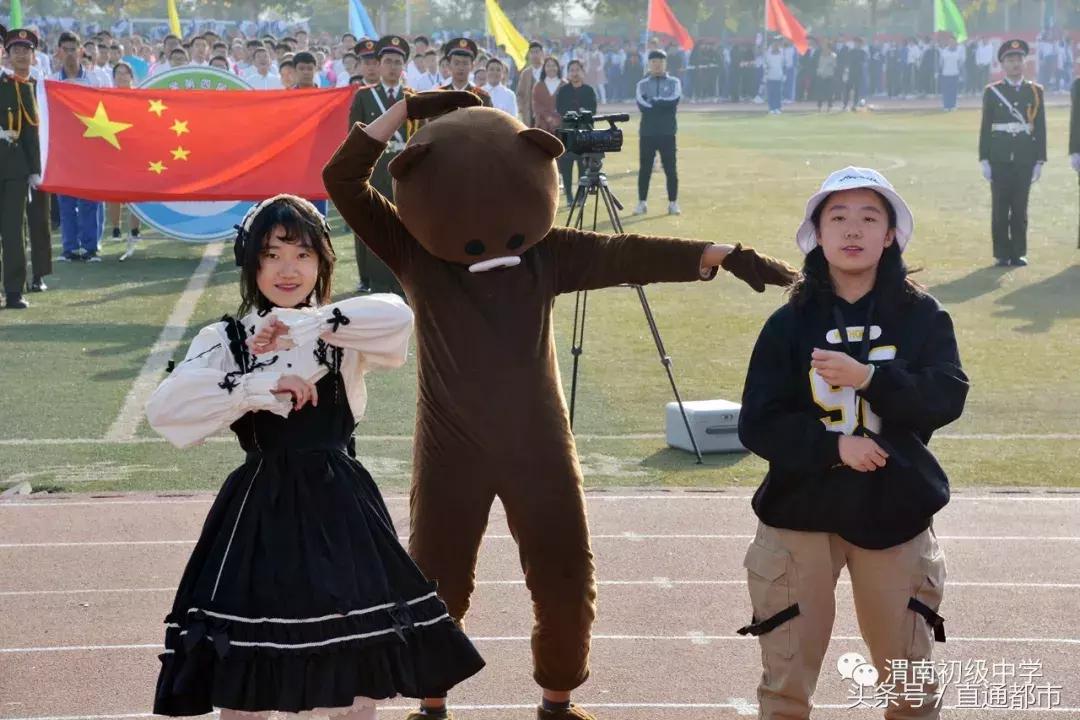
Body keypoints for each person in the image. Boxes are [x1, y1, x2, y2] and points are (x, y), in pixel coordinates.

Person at [145, 194, 484, 720]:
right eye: (273, 253)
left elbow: (398, 318)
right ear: (251, 260)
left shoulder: (341, 331)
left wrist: (307, 324)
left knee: (352, 677)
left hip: (341, 511)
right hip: (258, 514)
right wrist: (259, 383)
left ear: (323, 264)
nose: (288, 269)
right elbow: (168, 412)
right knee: (247, 678)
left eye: (303, 255)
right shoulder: (226, 339)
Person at [737, 166, 968, 720]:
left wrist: (869, 379)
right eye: (837, 217)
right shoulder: (788, 322)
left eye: (870, 217)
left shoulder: (922, 317)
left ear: (891, 234)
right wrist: (833, 448)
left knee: (911, 687)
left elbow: (946, 397)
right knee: (785, 688)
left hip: (895, 512)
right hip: (801, 514)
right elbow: (758, 421)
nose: (853, 230)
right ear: (816, 232)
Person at [347, 35, 413, 295]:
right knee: (372, 224)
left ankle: (401, 276)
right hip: (373, 171)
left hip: (403, 171)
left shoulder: (412, 97)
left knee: (402, 225)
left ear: (403, 66)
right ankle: (373, 279)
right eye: (388, 61)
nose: (393, 66)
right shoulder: (365, 96)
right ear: (380, 64)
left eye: (398, 62)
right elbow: (354, 135)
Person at [978, 39, 1046, 267]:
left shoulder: (1035, 91)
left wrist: (1040, 159)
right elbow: (985, 127)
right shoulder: (993, 92)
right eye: (1010, 59)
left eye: (1018, 59)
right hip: (999, 157)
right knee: (1000, 207)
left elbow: (1041, 127)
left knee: (1020, 207)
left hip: (1025, 158)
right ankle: (1001, 253)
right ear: (1002, 64)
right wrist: (984, 158)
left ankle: (1018, 252)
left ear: (1024, 62)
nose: (1015, 63)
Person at [54, 31, 105, 264]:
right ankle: (69, 248)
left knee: (89, 201)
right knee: (66, 202)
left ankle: (91, 247)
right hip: (63, 150)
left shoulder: (96, 79)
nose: (70, 54)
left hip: (91, 149)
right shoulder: (51, 80)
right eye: (65, 49)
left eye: (73, 49)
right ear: (58, 52)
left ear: (81, 51)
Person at [0, 27, 41, 308]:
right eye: (16, 50)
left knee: (14, 231)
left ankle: (14, 290)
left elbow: (30, 131)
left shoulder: (17, 85)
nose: (20, 54)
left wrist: (35, 169)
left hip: (14, 167)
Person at [633, 49, 681, 216]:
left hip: (667, 132)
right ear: (649, 64)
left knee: (670, 169)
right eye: (653, 62)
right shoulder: (642, 84)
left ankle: (673, 203)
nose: (657, 64)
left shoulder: (674, 82)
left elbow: (674, 100)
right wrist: (661, 105)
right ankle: (642, 202)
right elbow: (642, 105)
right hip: (647, 133)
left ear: (665, 63)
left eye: (660, 61)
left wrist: (655, 101)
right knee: (645, 169)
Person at [105, 62, 142, 261]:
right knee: (115, 191)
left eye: (125, 73)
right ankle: (116, 227)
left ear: (131, 76)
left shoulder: (140, 96)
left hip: (135, 148)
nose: (122, 76)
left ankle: (135, 229)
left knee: (136, 191)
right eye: (118, 73)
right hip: (114, 147)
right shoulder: (107, 97)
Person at [554, 59, 597, 205]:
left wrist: (583, 115)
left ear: (583, 72)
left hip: (584, 132)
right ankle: (569, 197)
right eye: (571, 70)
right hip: (568, 132)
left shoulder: (589, 90)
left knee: (582, 165)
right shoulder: (563, 90)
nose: (574, 73)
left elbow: (593, 110)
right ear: (568, 73)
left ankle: (580, 196)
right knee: (566, 166)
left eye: (577, 70)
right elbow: (560, 108)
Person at [438, 37, 492, 107]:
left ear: (472, 66)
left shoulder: (482, 97)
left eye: (465, 63)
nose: (461, 67)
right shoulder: (439, 96)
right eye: (456, 63)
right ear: (449, 66)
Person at [531, 56, 563, 134]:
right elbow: (536, 105)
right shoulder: (538, 85)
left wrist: (557, 120)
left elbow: (567, 105)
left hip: (561, 127)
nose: (551, 68)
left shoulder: (565, 85)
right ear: (544, 68)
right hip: (542, 126)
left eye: (554, 65)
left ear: (558, 68)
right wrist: (548, 117)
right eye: (548, 66)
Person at [939, 35, 963, 112]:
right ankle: (946, 106)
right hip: (945, 74)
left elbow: (960, 63)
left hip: (955, 73)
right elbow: (941, 63)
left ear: (955, 42)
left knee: (953, 91)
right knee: (946, 91)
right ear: (948, 43)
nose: (951, 43)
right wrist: (938, 72)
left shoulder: (958, 51)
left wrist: (960, 74)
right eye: (950, 42)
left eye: (953, 42)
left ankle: (953, 105)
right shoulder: (944, 51)